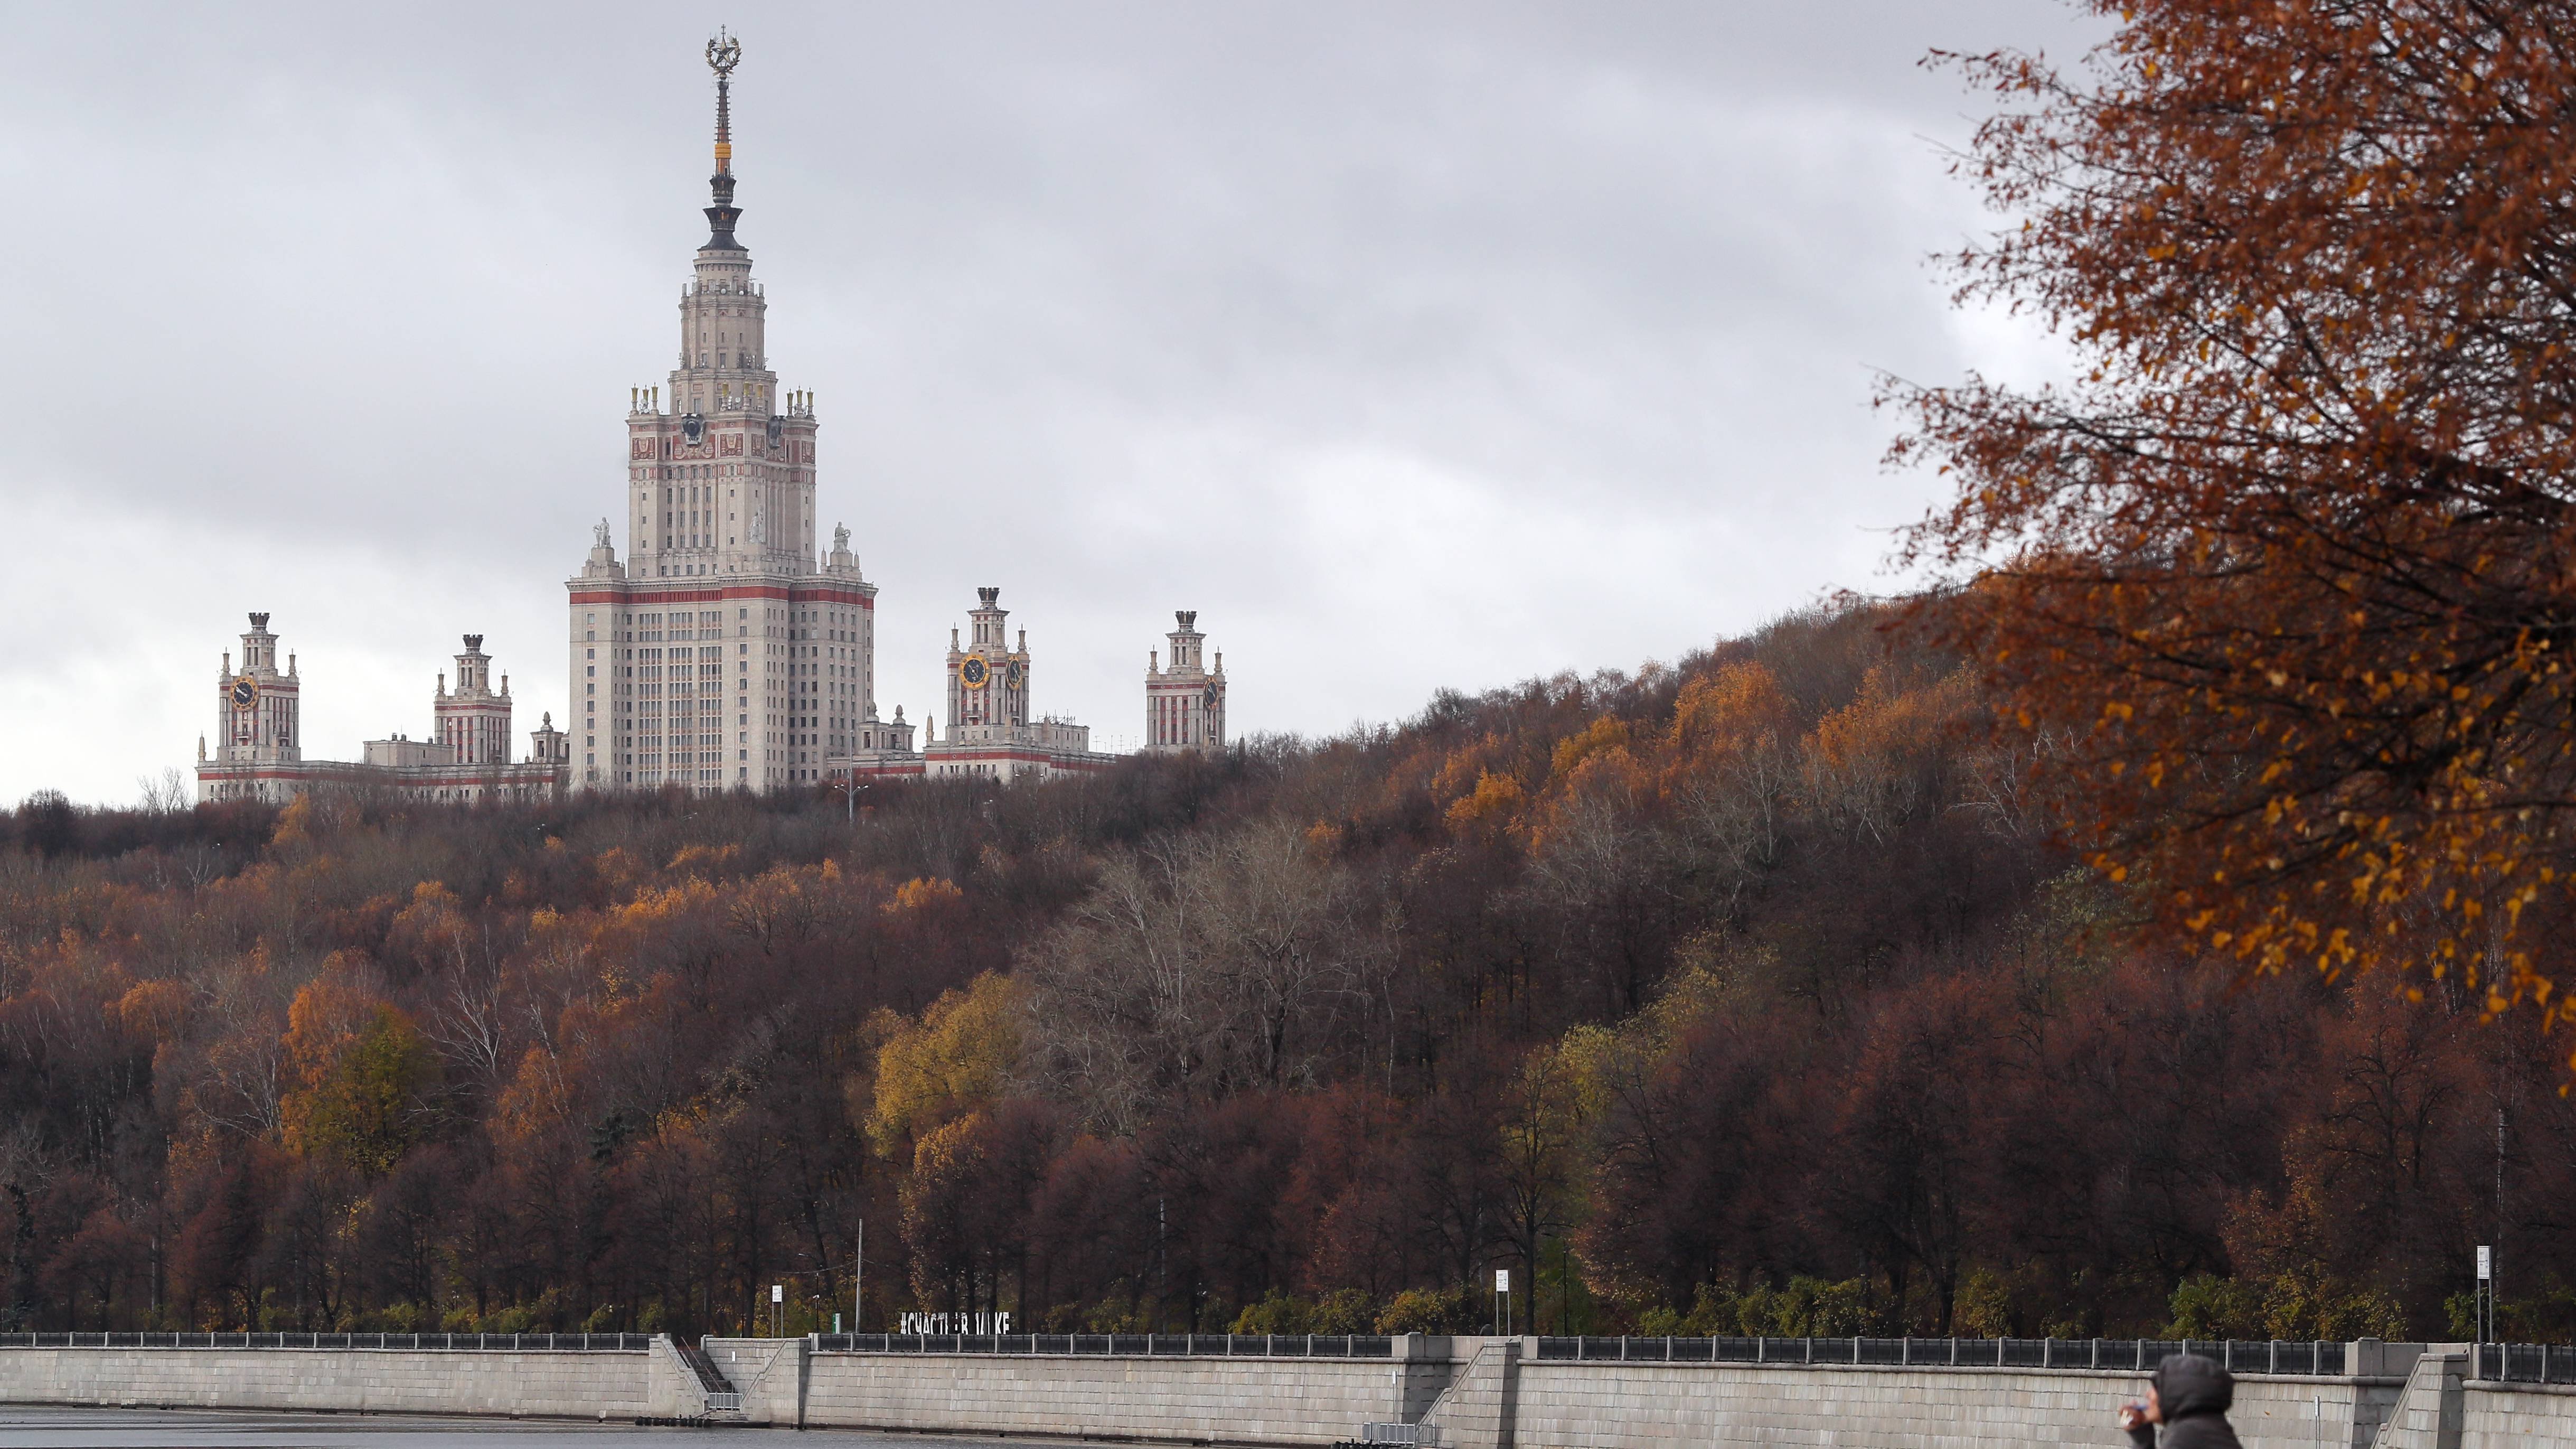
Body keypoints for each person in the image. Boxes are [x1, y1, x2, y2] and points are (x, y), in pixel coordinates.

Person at [2119, 1352, 2242, 1449]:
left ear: (2176, 1393)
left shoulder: (2186, 1435)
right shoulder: (2209, 1427)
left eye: (2157, 1388)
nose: (2148, 1394)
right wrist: (2142, 1439)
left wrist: (2142, 1443)